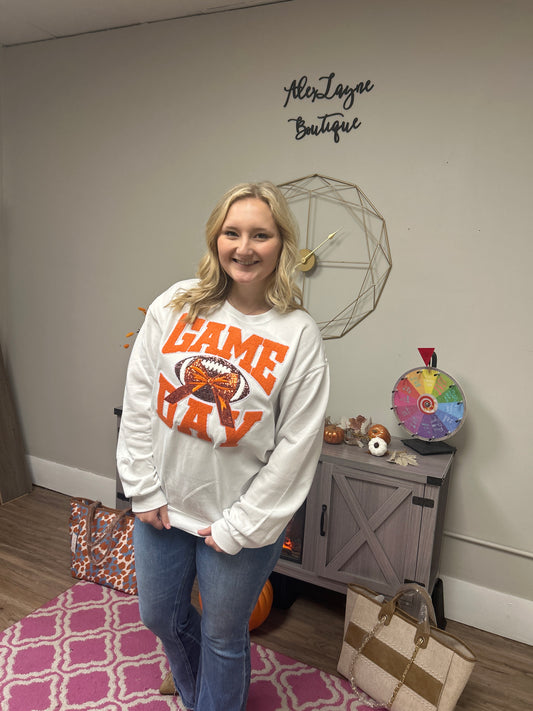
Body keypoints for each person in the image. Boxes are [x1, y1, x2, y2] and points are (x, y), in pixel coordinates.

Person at [117, 181, 330, 711]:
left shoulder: (297, 333)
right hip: (164, 506)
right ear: (215, 239)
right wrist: (141, 488)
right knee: (159, 615)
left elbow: (297, 446)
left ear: (281, 243)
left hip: (238, 520)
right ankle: (198, 694)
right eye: (232, 233)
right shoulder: (176, 304)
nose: (244, 247)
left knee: (222, 635)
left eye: (261, 234)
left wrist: (240, 525)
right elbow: (141, 396)